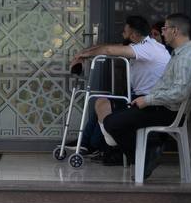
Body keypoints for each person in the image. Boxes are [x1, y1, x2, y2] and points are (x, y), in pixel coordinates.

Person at [101, 12, 191, 179]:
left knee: (112, 123)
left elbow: (179, 93)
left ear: (175, 31)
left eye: (165, 29)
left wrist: (147, 100)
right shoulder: (180, 54)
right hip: (160, 105)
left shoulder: (186, 59)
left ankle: (147, 155)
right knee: (115, 118)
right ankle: (149, 150)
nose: (162, 32)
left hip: (168, 111)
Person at [70, 15, 172, 153]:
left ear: (134, 35)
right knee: (101, 103)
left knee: (103, 104)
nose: (122, 34)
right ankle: (91, 143)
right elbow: (110, 47)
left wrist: (84, 56)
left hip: (149, 102)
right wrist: (84, 52)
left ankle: (109, 146)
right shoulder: (143, 45)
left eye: (125, 32)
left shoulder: (148, 48)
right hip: (141, 96)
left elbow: (109, 51)